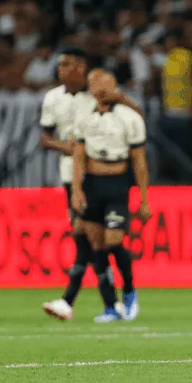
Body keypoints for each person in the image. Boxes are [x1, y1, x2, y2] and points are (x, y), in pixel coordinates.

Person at [41, 49, 143, 322]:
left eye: (67, 64)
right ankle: (108, 303)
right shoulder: (52, 98)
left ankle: (73, 300)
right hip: (71, 173)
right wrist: (71, 148)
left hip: (96, 176)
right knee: (86, 238)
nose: (61, 69)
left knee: (85, 237)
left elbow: (137, 119)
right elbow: (45, 138)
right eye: (60, 64)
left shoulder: (95, 97)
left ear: (81, 67)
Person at [71, 69, 151, 322]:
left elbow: (139, 162)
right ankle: (110, 306)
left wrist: (144, 199)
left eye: (104, 81)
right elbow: (78, 156)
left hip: (118, 183)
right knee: (96, 246)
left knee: (114, 241)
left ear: (114, 84)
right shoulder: (84, 118)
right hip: (93, 183)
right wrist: (76, 189)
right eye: (94, 82)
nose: (99, 86)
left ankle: (128, 290)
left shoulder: (130, 117)